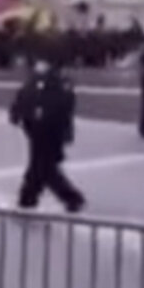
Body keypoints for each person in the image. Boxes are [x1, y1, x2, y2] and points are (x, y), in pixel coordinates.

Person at [8, 49, 86, 213]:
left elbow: (60, 105)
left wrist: (19, 113)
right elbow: (24, 96)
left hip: (48, 128)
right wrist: (18, 113)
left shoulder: (55, 82)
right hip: (38, 127)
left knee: (42, 166)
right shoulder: (42, 80)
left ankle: (33, 198)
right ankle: (31, 197)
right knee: (42, 166)